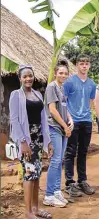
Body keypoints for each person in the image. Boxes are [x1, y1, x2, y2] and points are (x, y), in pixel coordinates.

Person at [10, 65, 54, 219]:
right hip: (26, 140)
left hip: (38, 139)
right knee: (29, 173)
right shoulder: (16, 95)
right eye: (25, 76)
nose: (28, 79)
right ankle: (28, 212)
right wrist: (22, 142)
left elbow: (43, 119)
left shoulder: (37, 94)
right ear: (20, 79)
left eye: (30, 76)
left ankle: (35, 208)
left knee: (36, 174)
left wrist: (47, 142)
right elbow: (14, 120)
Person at [63, 54, 96, 196]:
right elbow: (63, 102)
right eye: (81, 63)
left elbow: (90, 101)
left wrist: (90, 116)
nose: (84, 65)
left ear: (89, 65)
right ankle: (70, 183)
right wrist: (69, 119)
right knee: (70, 152)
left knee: (83, 151)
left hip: (87, 121)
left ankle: (82, 180)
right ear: (77, 65)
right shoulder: (69, 82)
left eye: (86, 63)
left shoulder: (92, 84)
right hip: (73, 121)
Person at [43, 60, 74, 208]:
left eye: (65, 73)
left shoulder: (61, 88)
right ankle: (48, 195)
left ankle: (56, 191)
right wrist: (65, 126)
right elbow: (52, 110)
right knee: (55, 161)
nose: (63, 75)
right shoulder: (51, 87)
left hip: (63, 128)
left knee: (59, 160)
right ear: (55, 73)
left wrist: (70, 119)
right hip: (55, 127)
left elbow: (63, 107)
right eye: (60, 73)